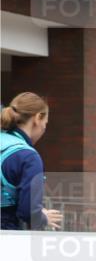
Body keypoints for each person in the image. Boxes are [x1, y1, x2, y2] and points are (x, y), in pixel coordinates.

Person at [1, 93, 62, 231]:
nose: (43, 130)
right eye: (45, 124)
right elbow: (28, 212)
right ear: (37, 118)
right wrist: (43, 217)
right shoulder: (28, 157)